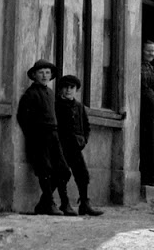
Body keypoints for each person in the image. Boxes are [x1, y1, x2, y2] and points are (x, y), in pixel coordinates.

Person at [15, 59, 70, 216]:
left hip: (53, 134)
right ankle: (50, 203)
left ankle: (47, 203)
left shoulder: (51, 93)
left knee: (64, 170)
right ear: (34, 75)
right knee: (45, 169)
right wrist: (34, 135)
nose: (45, 75)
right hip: (39, 136)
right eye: (41, 72)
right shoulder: (30, 94)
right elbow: (22, 118)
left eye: (47, 72)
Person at [54, 75, 102, 216]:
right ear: (61, 89)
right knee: (62, 174)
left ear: (76, 90)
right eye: (65, 87)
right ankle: (64, 203)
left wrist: (84, 140)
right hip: (61, 147)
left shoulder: (79, 107)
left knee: (83, 174)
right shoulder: (56, 105)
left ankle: (85, 204)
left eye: (72, 88)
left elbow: (86, 126)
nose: (68, 90)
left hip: (75, 147)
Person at [139, 40, 154, 185]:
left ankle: (153, 175)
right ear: (141, 51)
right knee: (146, 139)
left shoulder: (152, 69)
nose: (151, 54)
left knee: (153, 138)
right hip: (143, 108)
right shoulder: (139, 68)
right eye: (148, 51)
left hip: (152, 108)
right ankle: (146, 175)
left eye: (153, 51)